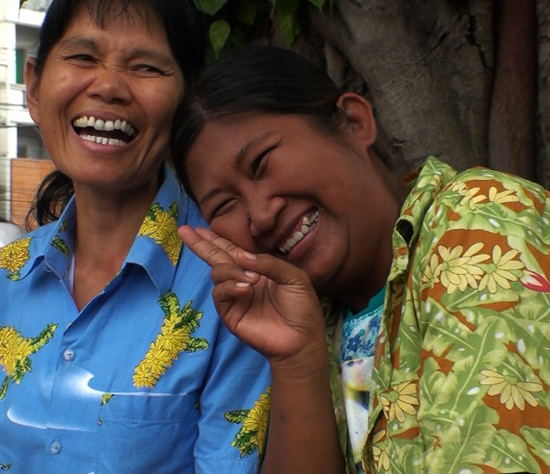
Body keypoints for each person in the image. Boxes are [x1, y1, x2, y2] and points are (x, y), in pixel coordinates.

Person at [174, 46, 550, 474]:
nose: (260, 215)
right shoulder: (318, 317)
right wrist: (295, 360)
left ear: (354, 123)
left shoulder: (478, 217)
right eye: (225, 205)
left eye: (262, 162)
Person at [0, 3, 270, 473]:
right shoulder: (7, 277)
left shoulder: (231, 287)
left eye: (145, 67)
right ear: (36, 87)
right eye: (83, 57)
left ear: (186, 102)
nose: (107, 86)